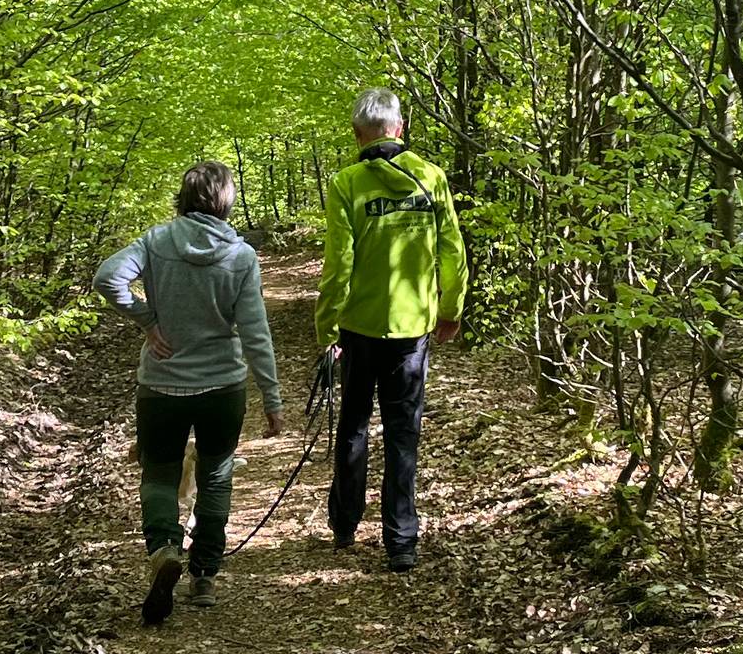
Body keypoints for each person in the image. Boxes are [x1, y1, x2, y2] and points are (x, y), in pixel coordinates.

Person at [94, 160, 284, 625]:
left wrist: (146, 320)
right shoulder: (241, 256)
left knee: (159, 474)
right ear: (226, 201)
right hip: (223, 387)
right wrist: (272, 398)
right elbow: (256, 332)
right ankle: (204, 576)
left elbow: (107, 278)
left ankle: (164, 548)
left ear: (183, 197)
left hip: (160, 384)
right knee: (216, 475)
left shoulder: (157, 242)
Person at [316, 88, 468, 572]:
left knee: (354, 426)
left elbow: (339, 264)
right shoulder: (430, 177)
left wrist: (327, 327)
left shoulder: (348, 182)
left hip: (359, 328)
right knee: (404, 434)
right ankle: (401, 540)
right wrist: (451, 310)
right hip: (412, 332)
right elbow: (453, 252)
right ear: (399, 129)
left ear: (358, 134)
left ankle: (344, 522)